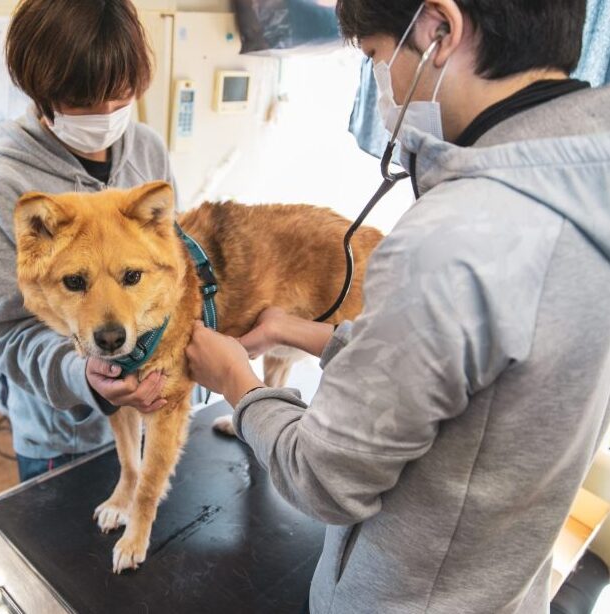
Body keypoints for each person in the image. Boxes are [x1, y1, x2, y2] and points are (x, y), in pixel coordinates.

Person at [186, 0, 610, 611]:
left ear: (439, 29)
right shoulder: (586, 192)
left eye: (375, 56)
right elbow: (477, 385)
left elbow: (321, 480)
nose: (380, 83)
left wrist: (236, 381)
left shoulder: (452, 239)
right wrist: (300, 332)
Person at [0, 0, 172, 482]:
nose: (105, 114)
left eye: (119, 96)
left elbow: (170, 268)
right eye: (82, 102)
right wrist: (83, 377)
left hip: (155, 413)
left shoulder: (147, 151)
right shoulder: (2, 188)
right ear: (41, 91)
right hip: (68, 439)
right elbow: (8, 332)